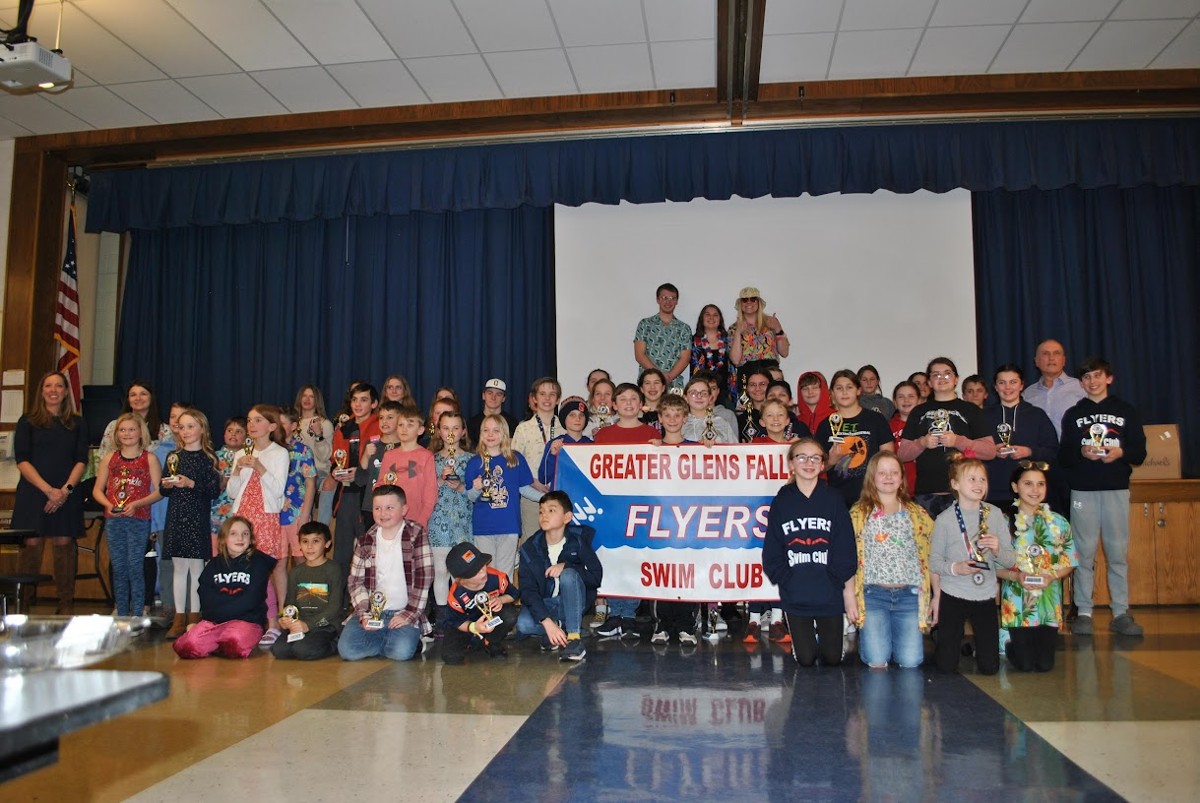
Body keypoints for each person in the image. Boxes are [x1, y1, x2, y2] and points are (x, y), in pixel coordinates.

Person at [1058, 357, 1146, 637]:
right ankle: (1084, 611)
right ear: (1081, 383)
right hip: (1082, 490)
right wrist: (1081, 453)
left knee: (1117, 552)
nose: (1092, 381)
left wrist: (1121, 453)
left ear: (1109, 378)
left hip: (1116, 489)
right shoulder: (1073, 414)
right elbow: (1064, 456)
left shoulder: (1126, 411)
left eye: (1097, 376)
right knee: (1084, 553)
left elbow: (1140, 453)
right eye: (1086, 377)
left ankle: (1121, 611)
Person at [761, 438, 857, 667]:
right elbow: (772, 548)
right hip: (796, 594)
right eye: (801, 457)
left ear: (823, 465)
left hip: (828, 592)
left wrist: (837, 579)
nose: (808, 463)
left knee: (832, 658)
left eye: (815, 458)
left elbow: (845, 545)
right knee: (806, 659)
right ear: (791, 464)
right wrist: (786, 579)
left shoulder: (833, 499)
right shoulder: (782, 500)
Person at [929, 454, 1016, 675]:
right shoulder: (945, 519)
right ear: (955, 484)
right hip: (954, 592)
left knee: (990, 668)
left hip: (984, 593)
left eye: (982, 479)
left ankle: (972, 648)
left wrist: (997, 549)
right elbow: (935, 561)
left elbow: (1010, 560)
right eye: (972, 479)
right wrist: (955, 568)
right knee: (945, 666)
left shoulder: (995, 514)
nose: (978, 484)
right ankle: (952, 645)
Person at [848, 452, 935, 669]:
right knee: (877, 660)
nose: (888, 477)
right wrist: (849, 595)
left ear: (902, 477)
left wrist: (937, 596)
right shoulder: (859, 513)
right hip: (873, 595)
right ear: (872, 477)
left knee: (911, 661)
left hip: (909, 595)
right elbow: (848, 558)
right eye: (882, 473)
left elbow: (932, 555)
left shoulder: (917, 513)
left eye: (894, 472)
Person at [13, 371, 89, 615]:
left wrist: (64, 491)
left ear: (66, 391)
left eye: (59, 385)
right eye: (48, 385)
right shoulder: (27, 421)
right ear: (42, 390)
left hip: (67, 491)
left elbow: (81, 460)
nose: (53, 390)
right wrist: (48, 490)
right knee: (32, 542)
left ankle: (65, 605)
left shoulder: (77, 423)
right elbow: (22, 460)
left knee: (63, 542)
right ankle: (22, 605)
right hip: (34, 491)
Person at [996, 462, 1077, 672]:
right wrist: (1016, 578)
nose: (1035, 490)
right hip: (1017, 604)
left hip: (1048, 604)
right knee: (1025, 664)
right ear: (1015, 487)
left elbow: (1069, 562)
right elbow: (993, 566)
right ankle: (1006, 641)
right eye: (1028, 484)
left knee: (1044, 665)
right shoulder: (1003, 522)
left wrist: (1051, 576)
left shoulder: (1058, 522)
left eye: (1040, 484)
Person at [338, 485, 432, 661]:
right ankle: (390, 638)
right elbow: (355, 582)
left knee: (400, 653)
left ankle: (410, 640)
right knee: (347, 650)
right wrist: (364, 615)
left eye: (390, 508)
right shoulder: (365, 540)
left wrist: (409, 615)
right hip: (373, 611)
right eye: (377, 508)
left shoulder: (416, 534)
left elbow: (424, 578)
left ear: (404, 509)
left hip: (404, 611)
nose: (383, 513)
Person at [897, 357, 997, 518]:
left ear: (956, 379)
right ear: (929, 382)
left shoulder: (971, 410)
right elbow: (902, 454)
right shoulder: (918, 411)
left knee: (964, 542)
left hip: (963, 492)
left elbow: (990, 451)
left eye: (947, 374)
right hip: (927, 493)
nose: (941, 378)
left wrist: (958, 441)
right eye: (936, 375)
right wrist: (922, 442)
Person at [227, 405, 290, 645]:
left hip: (265, 516)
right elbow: (233, 493)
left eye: (258, 420)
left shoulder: (279, 454)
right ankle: (246, 620)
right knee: (242, 571)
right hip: (242, 515)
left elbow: (277, 491)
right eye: (250, 420)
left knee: (263, 572)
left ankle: (272, 623)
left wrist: (259, 467)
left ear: (272, 426)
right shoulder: (241, 452)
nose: (251, 425)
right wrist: (238, 468)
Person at [516, 491, 602, 662]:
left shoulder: (578, 542)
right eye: (541, 511)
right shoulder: (529, 548)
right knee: (523, 624)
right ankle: (559, 627)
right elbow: (527, 591)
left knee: (569, 574)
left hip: (574, 602)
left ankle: (574, 639)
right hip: (547, 604)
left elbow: (595, 578)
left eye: (551, 510)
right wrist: (547, 622)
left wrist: (568, 566)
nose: (544, 516)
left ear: (567, 517)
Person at [173, 516, 275, 660]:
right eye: (233, 533)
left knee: (233, 643)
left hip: (246, 622)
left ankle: (216, 642)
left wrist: (222, 609)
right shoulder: (214, 565)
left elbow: (251, 599)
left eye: (245, 533)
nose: (240, 537)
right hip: (214, 623)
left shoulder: (259, 563)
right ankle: (215, 641)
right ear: (223, 538)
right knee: (185, 646)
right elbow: (205, 596)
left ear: (251, 538)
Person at [160, 408, 222, 639]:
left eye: (190, 426)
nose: (185, 431)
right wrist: (166, 485)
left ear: (202, 429)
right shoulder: (173, 457)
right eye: (182, 426)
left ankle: (195, 616)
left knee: (196, 569)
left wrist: (190, 483)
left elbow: (213, 490)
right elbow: (162, 489)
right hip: (176, 517)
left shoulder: (209, 459)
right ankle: (179, 617)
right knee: (178, 568)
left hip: (197, 518)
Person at [93, 413, 161, 618]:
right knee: (119, 566)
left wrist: (136, 504)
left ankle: (138, 611)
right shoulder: (109, 459)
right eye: (122, 430)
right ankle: (121, 612)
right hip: (114, 521)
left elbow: (159, 491)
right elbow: (97, 490)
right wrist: (109, 505)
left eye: (132, 429)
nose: (127, 433)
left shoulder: (149, 458)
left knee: (135, 565)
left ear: (141, 432)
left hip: (139, 519)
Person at [466, 414, 539, 578]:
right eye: (486, 430)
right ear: (480, 434)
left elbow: (524, 490)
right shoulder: (474, 463)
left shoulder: (515, 459)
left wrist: (546, 498)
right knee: (485, 573)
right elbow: (470, 497)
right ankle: (487, 603)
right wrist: (477, 489)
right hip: (483, 527)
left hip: (509, 526)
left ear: (504, 433)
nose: (490, 435)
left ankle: (505, 604)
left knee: (505, 573)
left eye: (495, 430)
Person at [815, 369, 895, 508]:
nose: (844, 392)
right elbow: (817, 467)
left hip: (872, 495)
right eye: (839, 388)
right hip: (838, 498)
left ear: (858, 390)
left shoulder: (875, 419)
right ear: (832, 393)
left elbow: (890, 457)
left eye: (849, 387)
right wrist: (831, 461)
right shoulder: (825, 425)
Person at [325, 382, 380, 578]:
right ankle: (340, 601)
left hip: (370, 496)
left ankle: (369, 599)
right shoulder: (343, 427)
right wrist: (336, 472)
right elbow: (335, 459)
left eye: (364, 400)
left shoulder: (380, 425)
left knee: (370, 552)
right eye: (355, 400)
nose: (358, 404)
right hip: (347, 493)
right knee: (341, 551)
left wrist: (361, 471)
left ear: (374, 404)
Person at [982, 364, 1058, 507]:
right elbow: (971, 452)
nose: (1008, 387)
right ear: (995, 387)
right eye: (1002, 383)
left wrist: (1029, 452)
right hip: (992, 493)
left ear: (1022, 385)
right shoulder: (983, 416)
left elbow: (1053, 451)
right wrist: (991, 452)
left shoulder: (1037, 415)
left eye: (1013, 382)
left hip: (1030, 495)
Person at [272, 521, 343, 661]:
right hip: (300, 624)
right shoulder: (296, 572)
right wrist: (286, 619)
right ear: (299, 545)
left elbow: (335, 608)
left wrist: (308, 625)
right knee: (279, 650)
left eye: (316, 541)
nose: (309, 547)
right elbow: (290, 603)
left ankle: (335, 644)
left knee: (303, 650)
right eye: (305, 541)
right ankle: (306, 641)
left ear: (327, 544)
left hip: (325, 625)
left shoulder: (333, 569)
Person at [441, 542, 518, 664]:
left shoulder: (498, 577)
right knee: (451, 657)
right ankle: (473, 641)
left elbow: (514, 594)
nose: (483, 571)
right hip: (466, 624)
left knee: (510, 614)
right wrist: (474, 627)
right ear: (461, 580)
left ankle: (491, 641)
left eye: (483, 565)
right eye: (475, 571)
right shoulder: (455, 596)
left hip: (490, 619)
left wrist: (501, 600)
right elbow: (455, 621)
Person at [429, 409, 473, 619]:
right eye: (445, 428)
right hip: (439, 522)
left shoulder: (473, 460)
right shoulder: (430, 460)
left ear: (463, 431)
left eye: (456, 428)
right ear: (438, 431)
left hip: (465, 522)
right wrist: (440, 480)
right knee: (441, 571)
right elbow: (425, 491)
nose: (451, 432)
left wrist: (460, 485)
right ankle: (442, 616)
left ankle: (461, 615)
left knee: (463, 572)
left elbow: (476, 491)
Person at [511, 377, 561, 539]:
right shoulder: (523, 429)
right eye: (542, 394)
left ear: (558, 399)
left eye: (552, 394)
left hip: (559, 496)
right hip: (531, 495)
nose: (547, 398)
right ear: (534, 399)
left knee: (557, 542)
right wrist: (533, 481)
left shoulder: (565, 428)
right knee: (532, 542)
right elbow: (514, 463)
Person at [373, 406, 438, 529]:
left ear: (420, 430)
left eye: (410, 425)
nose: (404, 429)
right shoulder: (389, 456)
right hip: (389, 521)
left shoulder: (426, 456)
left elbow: (430, 494)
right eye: (401, 425)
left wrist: (421, 522)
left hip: (416, 521)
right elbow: (380, 486)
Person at [729, 287, 790, 395]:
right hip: (747, 376)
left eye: (753, 299)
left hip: (771, 373)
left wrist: (778, 329)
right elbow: (735, 360)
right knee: (750, 411)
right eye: (745, 299)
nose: (749, 302)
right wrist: (738, 332)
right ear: (740, 304)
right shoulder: (734, 328)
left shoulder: (771, 323)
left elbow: (785, 353)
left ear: (758, 302)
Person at [277, 407, 318, 567]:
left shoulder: (303, 451)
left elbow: (310, 484)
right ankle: (283, 594)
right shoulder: (271, 449)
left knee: (301, 558)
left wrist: (304, 516)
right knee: (278, 562)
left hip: (296, 512)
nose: (278, 427)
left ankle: (304, 592)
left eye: (282, 423)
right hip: (275, 514)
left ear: (294, 426)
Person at [1023, 339, 1086, 441]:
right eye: (1045, 354)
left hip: (1073, 454)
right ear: (1036, 361)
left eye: (1056, 353)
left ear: (1064, 360)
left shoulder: (1082, 388)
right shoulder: (1027, 394)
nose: (1051, 358)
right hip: (1039, 455)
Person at [634, 282, 692, 390]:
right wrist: (658, 376)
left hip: (674, 384)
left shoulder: (684, 329)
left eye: (672, 298)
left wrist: (668, 377)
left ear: (676, 301)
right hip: (648, 383)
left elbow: (685, 358)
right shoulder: (645, 324)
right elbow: (639, 355)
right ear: (657, 300)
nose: (668, 302)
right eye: (664, 298)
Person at [97, 379, 171, 459]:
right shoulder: (113, 426)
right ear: (128, 400)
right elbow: (102, 457)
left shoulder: (164, 430)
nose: (138, 398)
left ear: (151, 398)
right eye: (133, 395)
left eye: (143, 394)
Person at [295, 385, 334, 525]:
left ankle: (320, 530)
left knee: (323, 488)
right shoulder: (293, 423)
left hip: (318, 471)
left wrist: (319, 435)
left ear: (317, 400)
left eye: (311, 396)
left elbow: (325, 456)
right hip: (296, 472)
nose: (307, 399)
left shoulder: (324, 424)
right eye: (304, 396)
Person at [538, 398, 592, 489]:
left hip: (585, 499)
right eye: (572, 415)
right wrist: (552, 455)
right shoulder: (555, 444)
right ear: (564, 419)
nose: (577, 419)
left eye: (581, 415)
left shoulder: (592, 446)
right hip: (560, 499)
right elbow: (544, 478)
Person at [210, 417, 246, 554]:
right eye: (230, 430)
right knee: (216, 553)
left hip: (239, 511)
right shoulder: (213, 457)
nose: (233, 434)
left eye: (239, 431)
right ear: (224, 434)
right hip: (216, 513)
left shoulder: (249, 459)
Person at [691, 303, 734, 404]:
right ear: (702, 318)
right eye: (707, 315)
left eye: (715, 315)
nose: (711, 318)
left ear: (720, 320)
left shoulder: (728, 341)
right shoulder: (693, 342)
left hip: (723, 392)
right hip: (699, 392)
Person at [592, 383, 660, 445]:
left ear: (640, 404)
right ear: (615, 405)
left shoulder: (652, 433)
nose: (628, 402)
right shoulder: (603, 434)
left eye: (633, 398)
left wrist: (658, 447)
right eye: (623, 399)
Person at [680, 376, 736, 444]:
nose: (699, 396)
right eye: (693, 393)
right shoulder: (679, 423)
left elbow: (736, 450)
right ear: (685, 398)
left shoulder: (722, 423)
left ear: (709, 398)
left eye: (704, 393)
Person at [888, 381, 920, 496]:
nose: (906, 400)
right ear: (895, 402)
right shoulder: (887, 427)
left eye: (911, 396)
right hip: (898, 490)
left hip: (924, 490)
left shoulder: (928, 425)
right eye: (901, 397)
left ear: (919, 400)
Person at [467, 378, 517, 443]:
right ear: (483, 395)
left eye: (498, 394)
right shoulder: (472, 423)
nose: (493, 397)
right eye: (490, 393)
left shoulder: (512, 423)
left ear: (504, 398)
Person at [736, 369, 772, 441]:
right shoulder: (740, 420)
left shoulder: (782, 415)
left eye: (762, 384)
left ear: (771, 386)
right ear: (747, 389)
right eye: (752, 385)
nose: (757, 388)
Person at [795, 371, 832, 435]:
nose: (810, 392)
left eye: (815, 388)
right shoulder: (796, 421)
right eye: (805, 389)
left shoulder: (835, 417)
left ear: (823, 390)